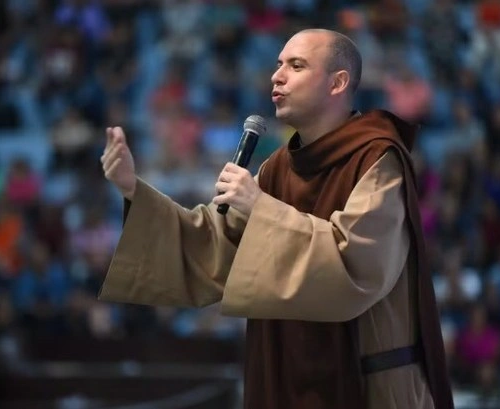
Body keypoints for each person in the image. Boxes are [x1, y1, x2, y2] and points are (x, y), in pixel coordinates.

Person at [99, 29, 454, 409]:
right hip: (283, 379)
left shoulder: (378, 159)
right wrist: (132, 189)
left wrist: (260, 207)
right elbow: (213, 247)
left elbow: (355, 267)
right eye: (278, 64)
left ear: (337, 82)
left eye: (296, 66)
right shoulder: (276, 168)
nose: (277, 76)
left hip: (368, 386)